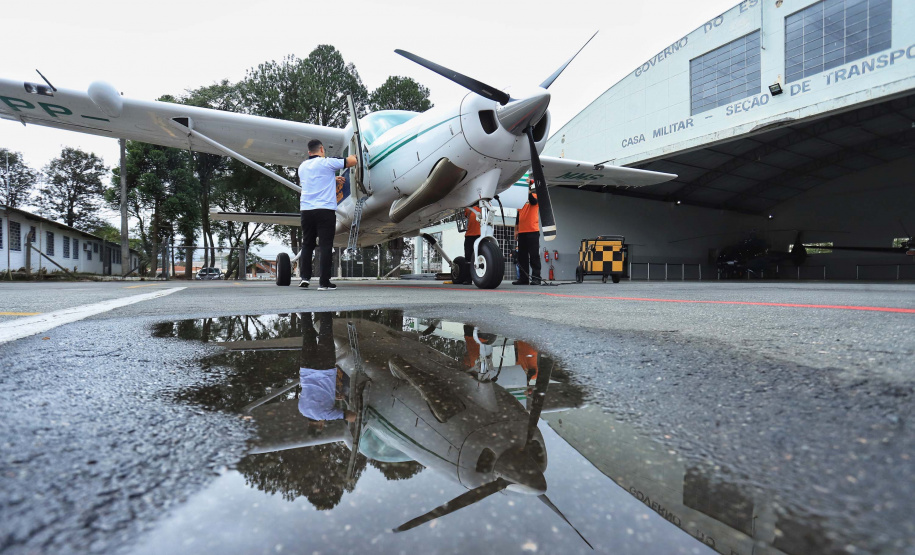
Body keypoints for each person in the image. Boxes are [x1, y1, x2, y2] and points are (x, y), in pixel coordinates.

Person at [299, 139, 357, 291]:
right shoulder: (327, 163)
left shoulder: (302, 167)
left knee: (307, 244)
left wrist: (332, 179)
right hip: (325, 210)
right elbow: (352, 161)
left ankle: (305, 278)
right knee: (325, 245)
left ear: (309, 152)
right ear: (322, 149)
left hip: (306, 210)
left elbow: (315, 181)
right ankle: (324, 282)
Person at [298, 311, 356, 424]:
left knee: (326, 334)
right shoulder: (302, 410)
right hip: (307, 368)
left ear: (319, 426)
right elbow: (312, 393)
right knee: (308, 335)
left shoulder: (325, 415)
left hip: (325, 369)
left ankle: (325, 308)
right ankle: (305, 309)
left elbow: (351, 416)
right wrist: (331, 396)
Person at [513, 179, 542, 285]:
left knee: (534, 255)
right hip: (522, 232)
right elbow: (518, 216)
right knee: (522, 256)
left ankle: (536, 278)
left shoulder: (534, 197)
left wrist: (528, 189)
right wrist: (516, 230)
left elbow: (533, 202)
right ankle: (523, 279)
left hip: (532, 231)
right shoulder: (520, 201)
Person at [461, 206, 482, 285]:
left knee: (477, 257)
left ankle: (477, 277)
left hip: (479, 235)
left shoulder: (482, 207)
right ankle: (468, 278)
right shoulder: (468, 208)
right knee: (468, 258)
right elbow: (466, 216)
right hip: (470, 235)